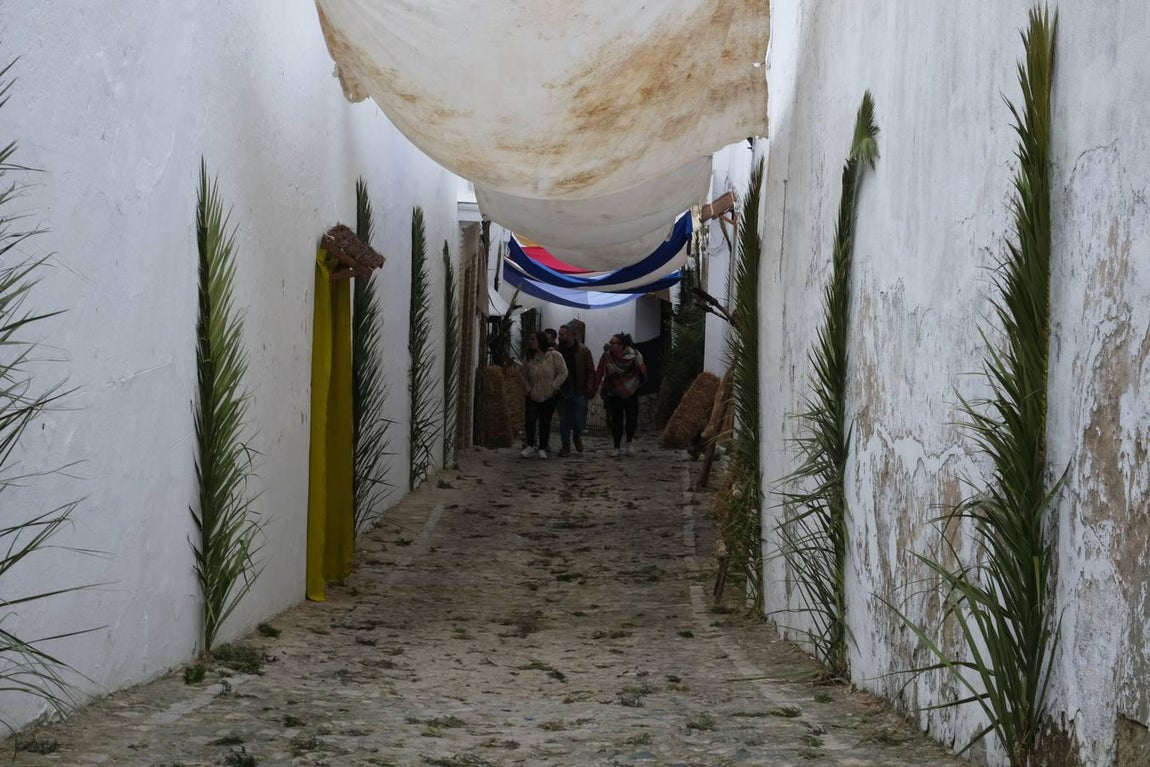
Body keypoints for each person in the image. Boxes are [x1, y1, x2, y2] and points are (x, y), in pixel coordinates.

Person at [593, 332, 647, 458]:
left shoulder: (635, 355)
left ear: (621, 345)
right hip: (613, 392)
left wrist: (637, 384)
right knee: (616, 421)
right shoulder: (607, 356)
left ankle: (629, 442)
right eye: (610, 342)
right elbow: (599, 371)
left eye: (613, 343)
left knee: (631, 419)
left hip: (631, 391)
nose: (610, 344)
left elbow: (641, 371)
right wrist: (595, 387)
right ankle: (616, 447)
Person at [519, 330, 567, 459]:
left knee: (545, 421)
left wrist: (553, 386)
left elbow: (563, 372)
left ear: (540, 341)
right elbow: (522, 374)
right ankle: (530, 445)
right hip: (533, 394)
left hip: (549, 395)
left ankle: (542, 447)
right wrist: (528, 389)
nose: (531, 342)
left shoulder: (554, 356)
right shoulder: (529, 357)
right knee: (530, 420)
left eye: (533, 339)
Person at [555, 323, 595, 457]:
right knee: (564, 420)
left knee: (579, 419)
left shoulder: (583, 350)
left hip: (579, 390)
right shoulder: (556, 351)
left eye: (562, 334)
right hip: (562, 391)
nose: (559, 336)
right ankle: (565, 446)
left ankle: (577, 436)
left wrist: (589, 386)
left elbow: (591, 370)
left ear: (571, 335)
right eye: (559, 334)